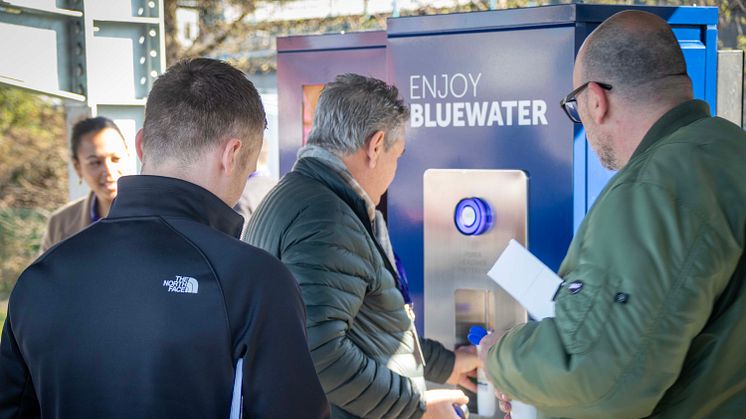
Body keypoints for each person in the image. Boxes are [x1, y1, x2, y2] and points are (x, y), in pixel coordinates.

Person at [0, 58, 329, 419]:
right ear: (232, 154)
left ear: (140, 145)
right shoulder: (254, 282)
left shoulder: (39, 278)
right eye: (249, 171)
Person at [480, 11, 746, 419]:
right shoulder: (730, 150)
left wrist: (502, 357)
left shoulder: (654, 188)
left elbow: (594, 374)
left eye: (575, 107)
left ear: (596, 100)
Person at [245, 74, 478, 419]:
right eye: (396, 156)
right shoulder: (327, 218)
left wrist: (448, 365)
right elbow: (320, 354)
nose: (394, 171)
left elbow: (368, 327)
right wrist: (418, 407)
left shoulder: (297, 195)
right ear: (375, 145)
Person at [40, 116, 131, 252]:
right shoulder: (60, 224)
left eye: (115, 159)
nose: (109, 171)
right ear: (77, 167)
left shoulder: (160, 213)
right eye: (95, 162)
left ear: (128, 155)